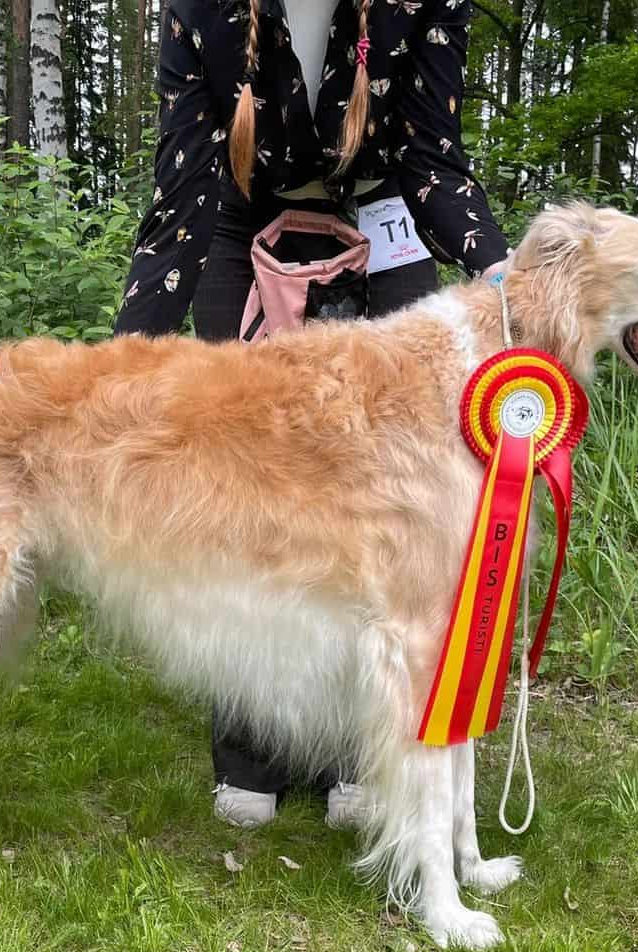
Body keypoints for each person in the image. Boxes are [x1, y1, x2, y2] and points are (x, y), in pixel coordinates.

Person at [114, 0, 509, 829]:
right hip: (241, 223)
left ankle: (363, 751)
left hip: (380, 222)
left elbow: (435, 158)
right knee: (247, 504)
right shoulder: (202, 9)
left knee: (389, 514)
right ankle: (249, 746)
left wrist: (506, 281)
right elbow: (184, 184)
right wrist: (124, 359)